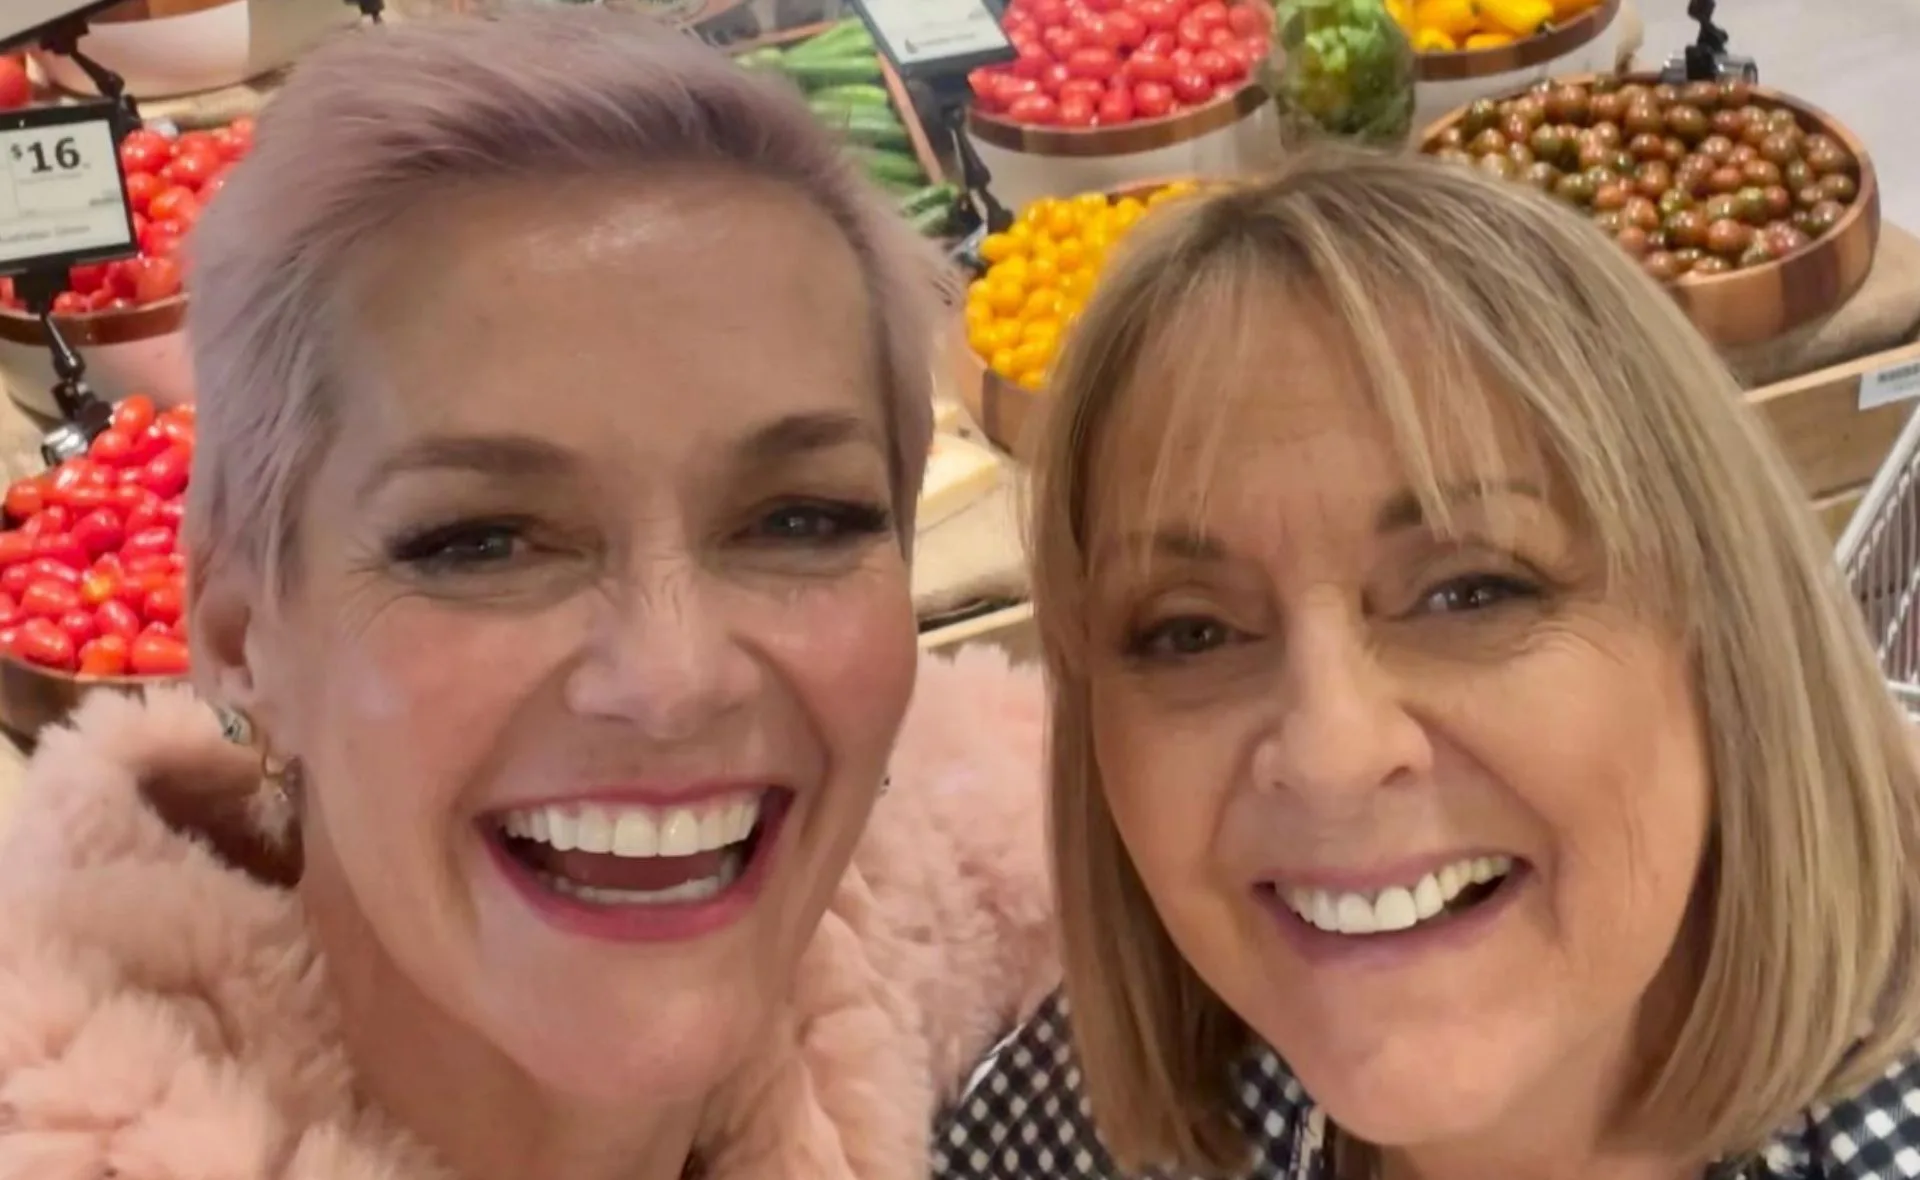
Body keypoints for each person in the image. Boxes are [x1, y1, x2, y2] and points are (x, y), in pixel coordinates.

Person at [0, 9, 1058, 1180]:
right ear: (242, 636)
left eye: (798, 520)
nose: (673, 680)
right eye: (483, 541)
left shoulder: (937, 915)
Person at [934, 149, 1920, 1180]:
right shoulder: (1073, 1124)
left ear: (1725, 640)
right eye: (1192, 631)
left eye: (1472, 591)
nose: (1331, 754)